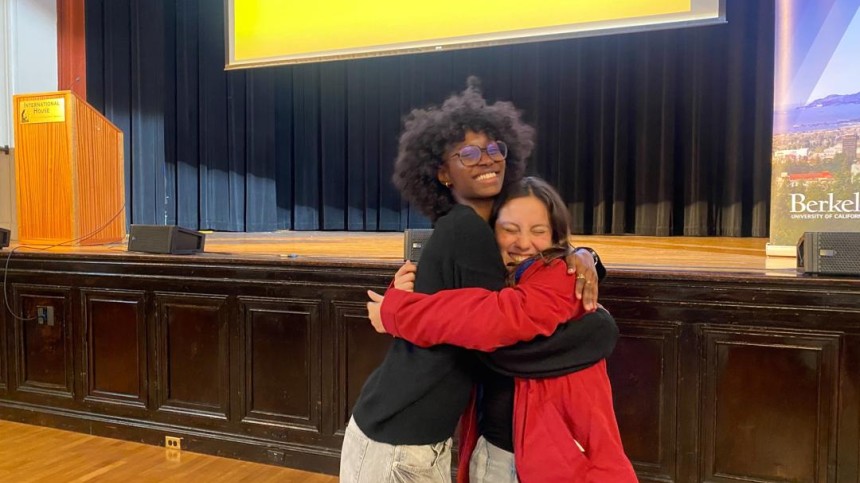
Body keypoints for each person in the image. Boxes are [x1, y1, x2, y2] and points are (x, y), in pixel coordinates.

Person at [339, 78, 605, 482]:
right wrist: (599, 331)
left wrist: (584, 256)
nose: (487, 159)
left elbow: (486, 308)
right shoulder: (468, 232)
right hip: (401, 436)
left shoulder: (469, 230)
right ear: (443, 172)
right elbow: (497, 339)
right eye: (468, 152)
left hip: (403, 429)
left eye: (494, 148)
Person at [368, 177, 636, 482]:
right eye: (510, 229)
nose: (523, 242)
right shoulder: (494, 276)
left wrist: (394, 312)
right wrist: (400, 290)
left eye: (538, 231)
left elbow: (492, 319)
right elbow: (453, 305)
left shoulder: (563, 275)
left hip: (545, 460)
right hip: (494, 449)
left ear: (556, 236)